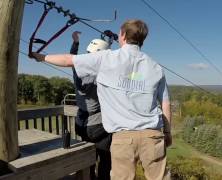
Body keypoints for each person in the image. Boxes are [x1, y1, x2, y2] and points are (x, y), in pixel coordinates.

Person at [30, 19, 172, 180]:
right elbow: (165, 103)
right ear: (143, 39)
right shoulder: (156, 67)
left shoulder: (107, 58)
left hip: (123, 137)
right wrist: (167, 131)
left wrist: (39, 56)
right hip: (152, 135)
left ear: (123, 35)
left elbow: (69, 60)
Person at [70, 31, 112, 180]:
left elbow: (73, 61)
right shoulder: (99, 74)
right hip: (97, 125)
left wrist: (75, 44)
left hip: (81, 122)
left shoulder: (79, 71)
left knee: (89, 157)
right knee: (105, 158)